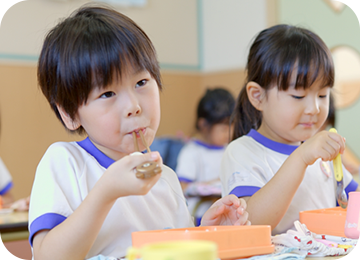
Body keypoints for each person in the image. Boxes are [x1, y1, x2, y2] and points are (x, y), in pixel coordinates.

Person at [28, 5, 250, 260]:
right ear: (69, 113)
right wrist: (106, 192)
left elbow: (172, 249)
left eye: (141, 82)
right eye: (108, 94)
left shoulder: (165, 177)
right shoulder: (65, 162)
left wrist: (206, 232)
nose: (133, 106)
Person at [220, 24, 359, 235]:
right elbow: (252, 224)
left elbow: (353, 200)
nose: (314, 108)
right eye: (298, 96)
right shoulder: (242, 152)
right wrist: (301, 157)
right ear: (258, 96)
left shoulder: (324, 156)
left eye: (322, 95)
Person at [176, 87, 235, 225]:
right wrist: (215, 182)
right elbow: (182, 187)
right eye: (224, 128)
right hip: (199, 216)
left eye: (232, 126)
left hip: (225, 215)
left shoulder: (230, 150)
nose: (229, 132)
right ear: (203, 125)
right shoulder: (192, 152)